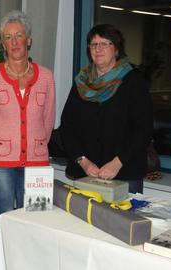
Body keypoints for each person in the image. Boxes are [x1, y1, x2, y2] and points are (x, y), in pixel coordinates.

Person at [0, 10, 55, 247]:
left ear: (28, 40)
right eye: (8, 37)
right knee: (3, 218)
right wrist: (4, 146)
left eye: (18, 35)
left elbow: (48, 120)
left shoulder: (46, 77)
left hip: (38, 162)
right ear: (2, 43)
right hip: (0, 163)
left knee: (37, 219)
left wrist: (36, 147)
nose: (14, 42)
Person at [60, 24, 153, 194]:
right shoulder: (81, 82)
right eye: (94, 44)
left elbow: (143, 130)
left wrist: (117, 162)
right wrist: (83, 161)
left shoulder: (134, 82)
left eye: (104, 43)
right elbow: (67, 127)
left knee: (123, 221)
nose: (98, 49)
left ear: (116, 49)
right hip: (86, 173)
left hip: (125, 173)